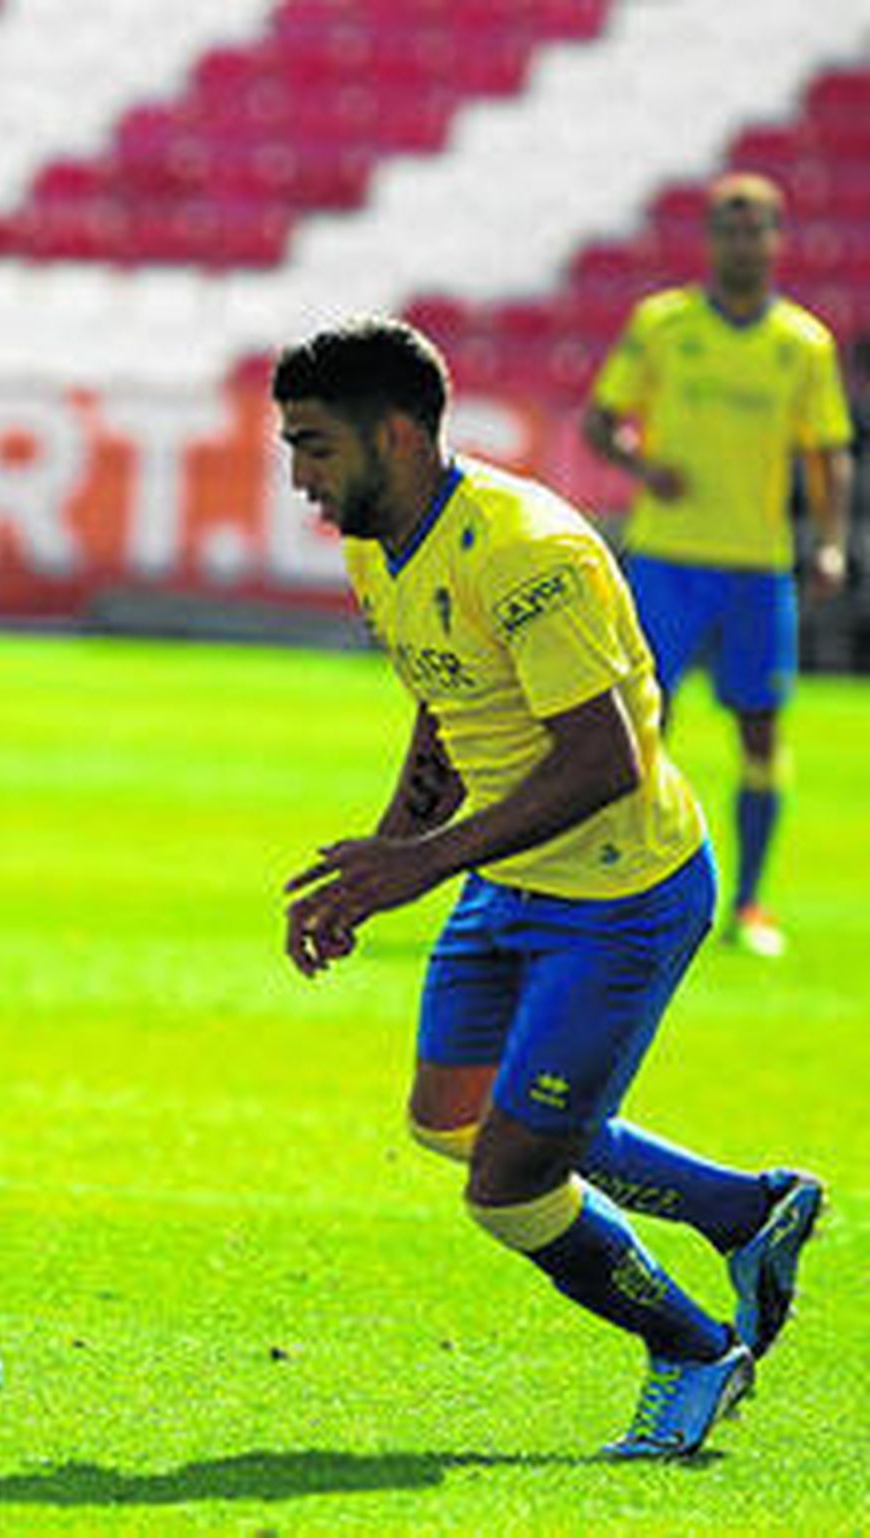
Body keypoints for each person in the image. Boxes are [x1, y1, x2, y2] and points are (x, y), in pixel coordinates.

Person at [275, 318, 822, 1458]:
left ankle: (691, 1348)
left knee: (509, 1180)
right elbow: (448, 696)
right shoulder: (382, 541)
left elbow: (602, 758)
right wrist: (376, 857)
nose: (301, 480)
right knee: (451, 1121)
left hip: (621, 894)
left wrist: (420, 862)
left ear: (395, 431)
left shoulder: (527, 549)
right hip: (508, 880)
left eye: (316, 448)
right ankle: (741, 1207)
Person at [581, 172, 854, 959]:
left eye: (757, 228)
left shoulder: (802, 344)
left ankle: (751, 903)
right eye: (729, 229)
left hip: (756, 568)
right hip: (668, 559)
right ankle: (624, 887)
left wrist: (829, 542)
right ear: (709, 240)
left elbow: (828, 452)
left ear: (777, 240)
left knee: (761, 732)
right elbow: (602, 422)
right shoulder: (663, 326)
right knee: (641, 725)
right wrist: (642, 465)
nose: (743, 242)